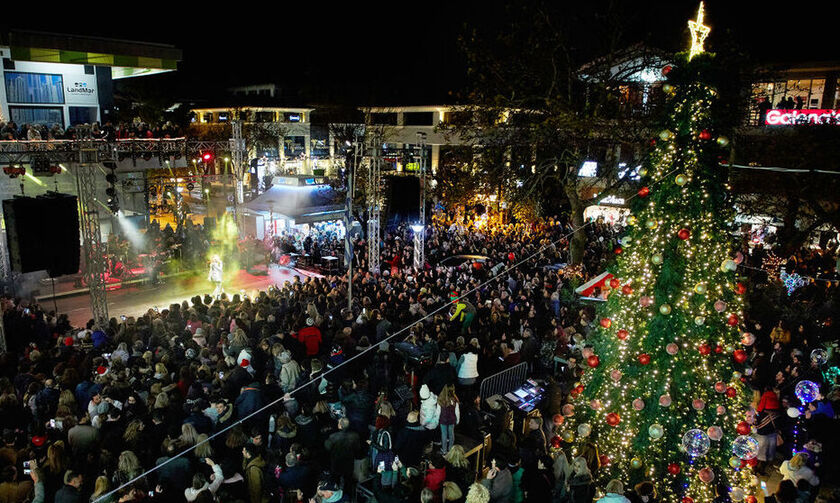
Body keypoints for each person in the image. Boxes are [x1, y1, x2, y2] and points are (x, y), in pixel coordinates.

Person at [436, 385, 460, 455]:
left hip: (443, 420)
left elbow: (438, 412)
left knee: (444, 435)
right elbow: (457, 412)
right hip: (452, 420)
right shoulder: (455, 400)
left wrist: (437, 420)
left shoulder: (440, 400)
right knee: (451, 434)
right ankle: (450, 450)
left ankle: (444, 450)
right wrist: (457, 420)